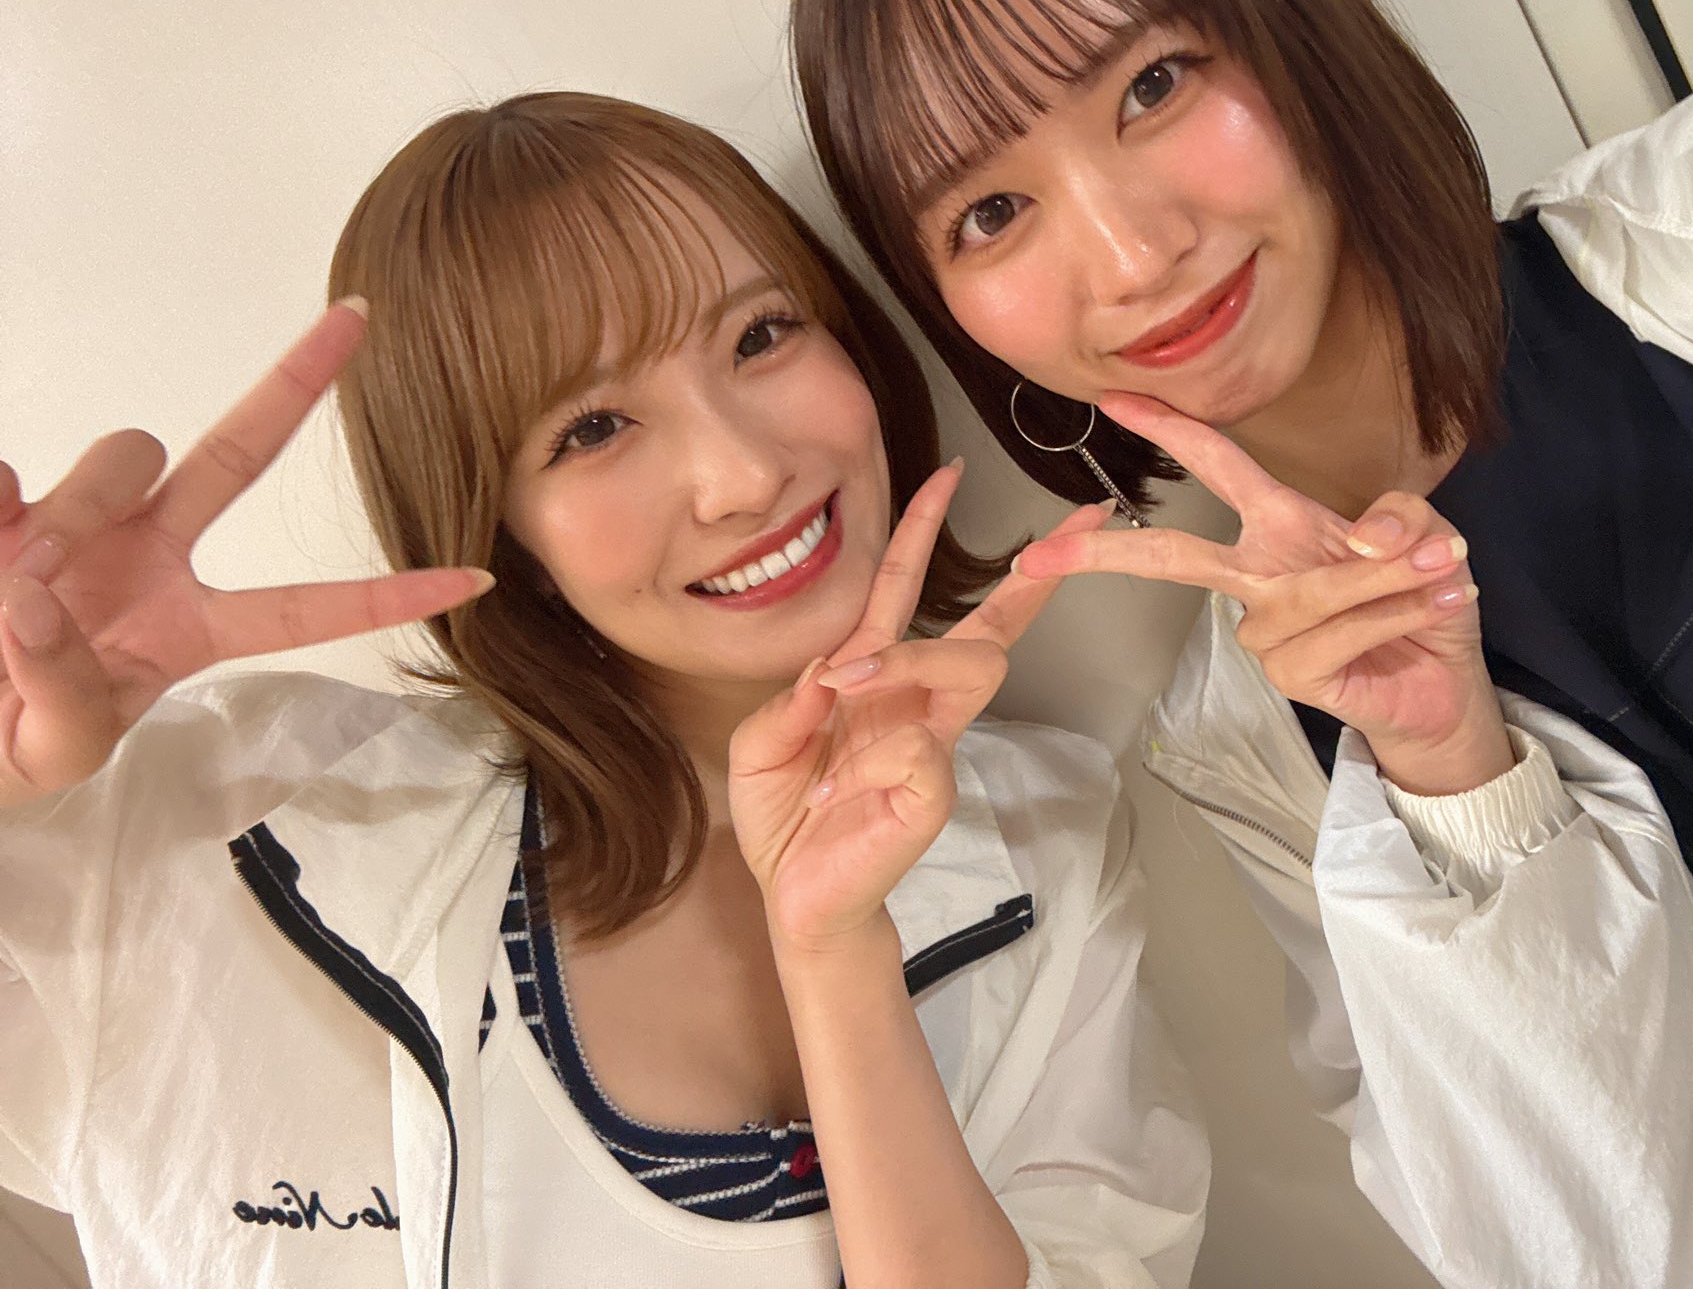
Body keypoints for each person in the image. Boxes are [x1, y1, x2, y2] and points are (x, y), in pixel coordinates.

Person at [789, 0, 1693, 1289]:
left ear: (1289, 28)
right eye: (989, 214)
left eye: (1153, 85)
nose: (1130, 254)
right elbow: (1640, 1261)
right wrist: (1452, 777)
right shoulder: (1255, 747)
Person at [0, 92, 1208, 1288]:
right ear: (501, 529)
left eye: (759, 336)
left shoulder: (1047, 836)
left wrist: (835, 959)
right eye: (590, 430)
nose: (741, 475)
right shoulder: (199, 827)